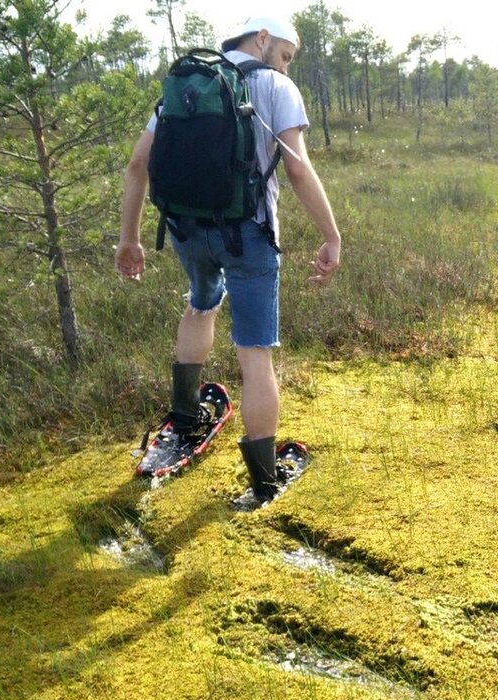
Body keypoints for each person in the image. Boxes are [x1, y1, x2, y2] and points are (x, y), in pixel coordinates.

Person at [115, 13, 341, 510]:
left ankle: (187, 417)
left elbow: (137, 165)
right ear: (262, 38)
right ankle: (263, 479)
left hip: (187, 231)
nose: (285, 65)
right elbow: (299, 171)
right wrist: (331, 235)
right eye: (284, 54)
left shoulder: (190, 83)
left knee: (200, 305)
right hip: (250, 237)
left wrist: (129, 239)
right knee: (255, 352)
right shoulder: (277, 88)